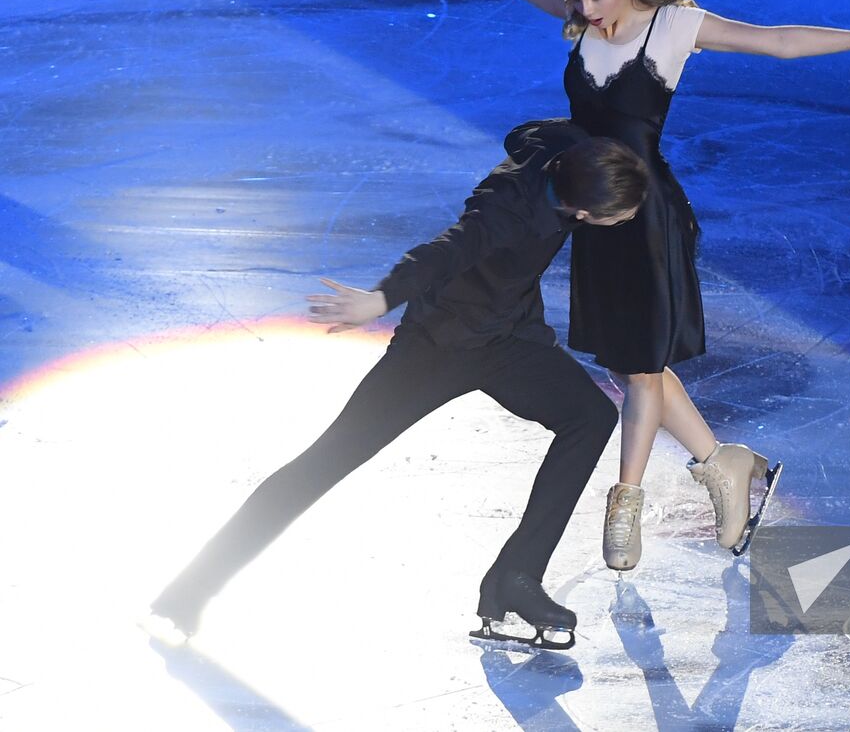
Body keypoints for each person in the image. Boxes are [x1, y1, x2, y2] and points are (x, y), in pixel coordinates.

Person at [436, 0, 850, 571]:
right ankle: (730, 467)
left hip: (647, 220)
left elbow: (777, 41)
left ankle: (625, 504)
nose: (582, 11)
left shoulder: (674, 28)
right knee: (629, 362)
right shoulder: (582, 20)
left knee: (639, 374)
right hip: (595, 214)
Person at [148, 119, 648, 650]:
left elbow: (524, 132)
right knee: (327, 460)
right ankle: (190, 589)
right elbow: (444, 250)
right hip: (435, 349)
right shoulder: (505, 211)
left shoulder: (561, 147)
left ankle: (516, 579)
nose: (628, 219)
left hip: (510, 341)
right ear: (583, 213)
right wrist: (380, 299)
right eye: (621, 215)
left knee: (589, 417)